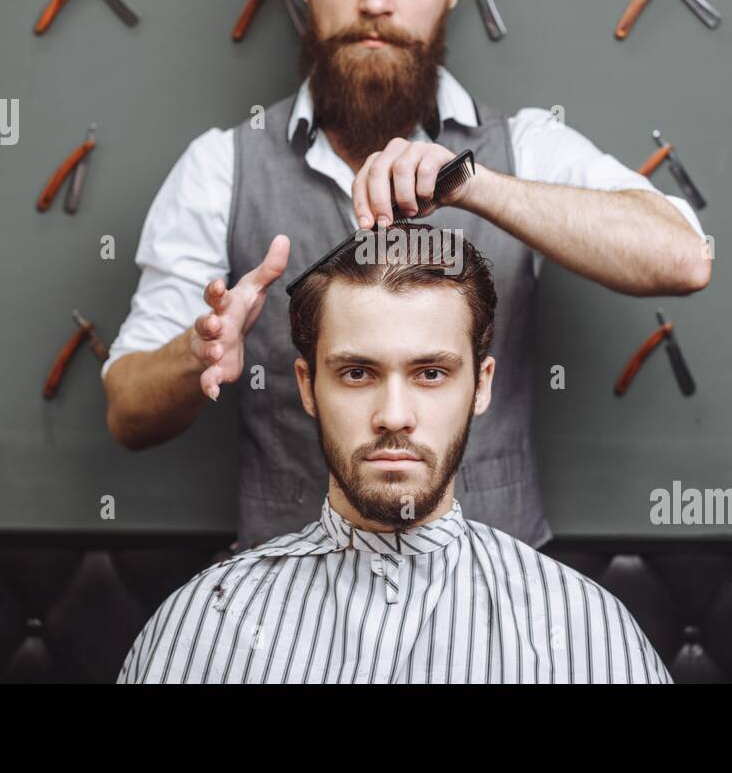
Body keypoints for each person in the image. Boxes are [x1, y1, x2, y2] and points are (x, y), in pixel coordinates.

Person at [103, 0, 710, 551]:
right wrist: (196, 352)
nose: (377, 2)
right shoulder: (221, 167)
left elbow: (684, 257)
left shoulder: (526, 147)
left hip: (494, 614)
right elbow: (127, 412)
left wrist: (475, 185)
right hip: (288, 622)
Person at [116, 229, 671, 683]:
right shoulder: (206, 628)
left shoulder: (580, 633)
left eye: (431, 373)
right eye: (357, 373)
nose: (394, 414)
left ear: (481, 386)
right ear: (308, 387)